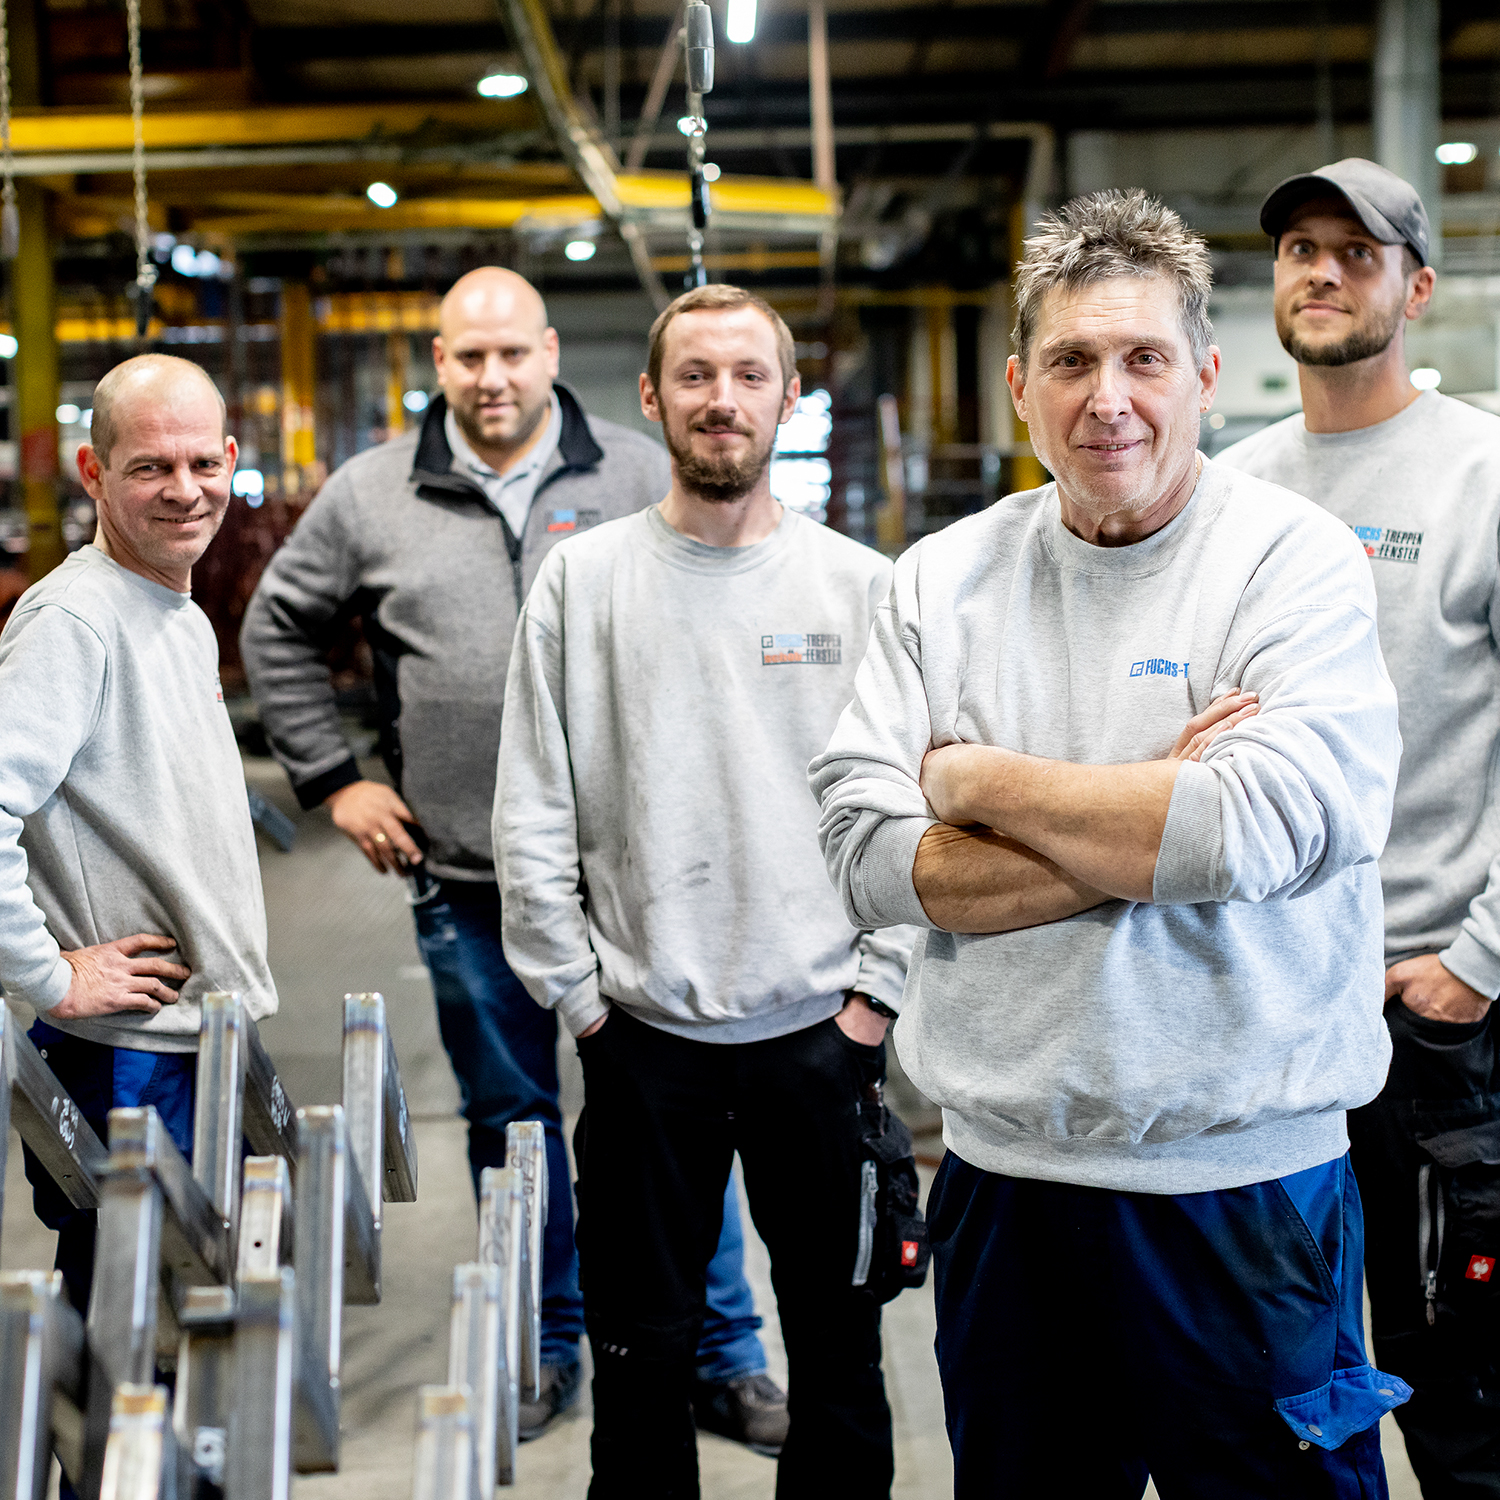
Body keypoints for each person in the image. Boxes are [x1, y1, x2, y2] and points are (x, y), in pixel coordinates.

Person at [811, 189, 1410, 1496]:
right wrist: (1149, 797)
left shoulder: (1289, 564)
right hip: (1008, 1189)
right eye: (1073, 361)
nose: (1110, 398)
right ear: (1023, 385)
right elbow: (864, 854)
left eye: (1145, 358)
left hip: (1246, 1192)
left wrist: (972, 779)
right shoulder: (940, 580)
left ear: (1203, 373)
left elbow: (1251, 830)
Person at [240, 266, 782, 1444]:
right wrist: (337, 780)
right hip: (468, 877)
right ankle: (543, 1341)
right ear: (436, 363)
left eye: (512, 355)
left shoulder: (640, 471)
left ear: (549, 355)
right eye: (466, 358)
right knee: (515, 1119)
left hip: (641, 883)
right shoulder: (371, 494)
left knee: (683, 1120)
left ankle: (723, 1353)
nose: (492, 378)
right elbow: (276, 624)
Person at [494, 283, 915, 1498]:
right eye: (695, 377)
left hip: (821, 1042)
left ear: (788, 395)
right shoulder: (583, 584)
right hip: (644, 1045)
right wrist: (581, 1004)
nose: (721, 400)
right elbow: (534, 811)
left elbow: (908, 818)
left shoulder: (860, 589)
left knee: (840, 1354)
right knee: (641, 1357)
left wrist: (875, 1001)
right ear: (652, 396)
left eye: (747, 376)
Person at [1218, 158, 1500, 1498]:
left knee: (1461, 1390)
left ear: (1418, 288)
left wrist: (1479, 965)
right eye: (1296, 252)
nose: (1319, 272)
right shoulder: (1231, 486)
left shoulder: (1483, 473)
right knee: (1283, 1387)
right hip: (1260, 1012)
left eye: (1356, 251)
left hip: (1431, 1016)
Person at [0, 353, 277, 1317]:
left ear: (233, 459)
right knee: (133, 1333)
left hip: (191, 1036)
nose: (184, 490)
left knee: (188, 1321)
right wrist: (45, 973)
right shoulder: (74, 619)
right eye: (151, 467)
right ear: (94, 474)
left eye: (203, 463)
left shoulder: (174, 608)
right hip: (126, 1049)